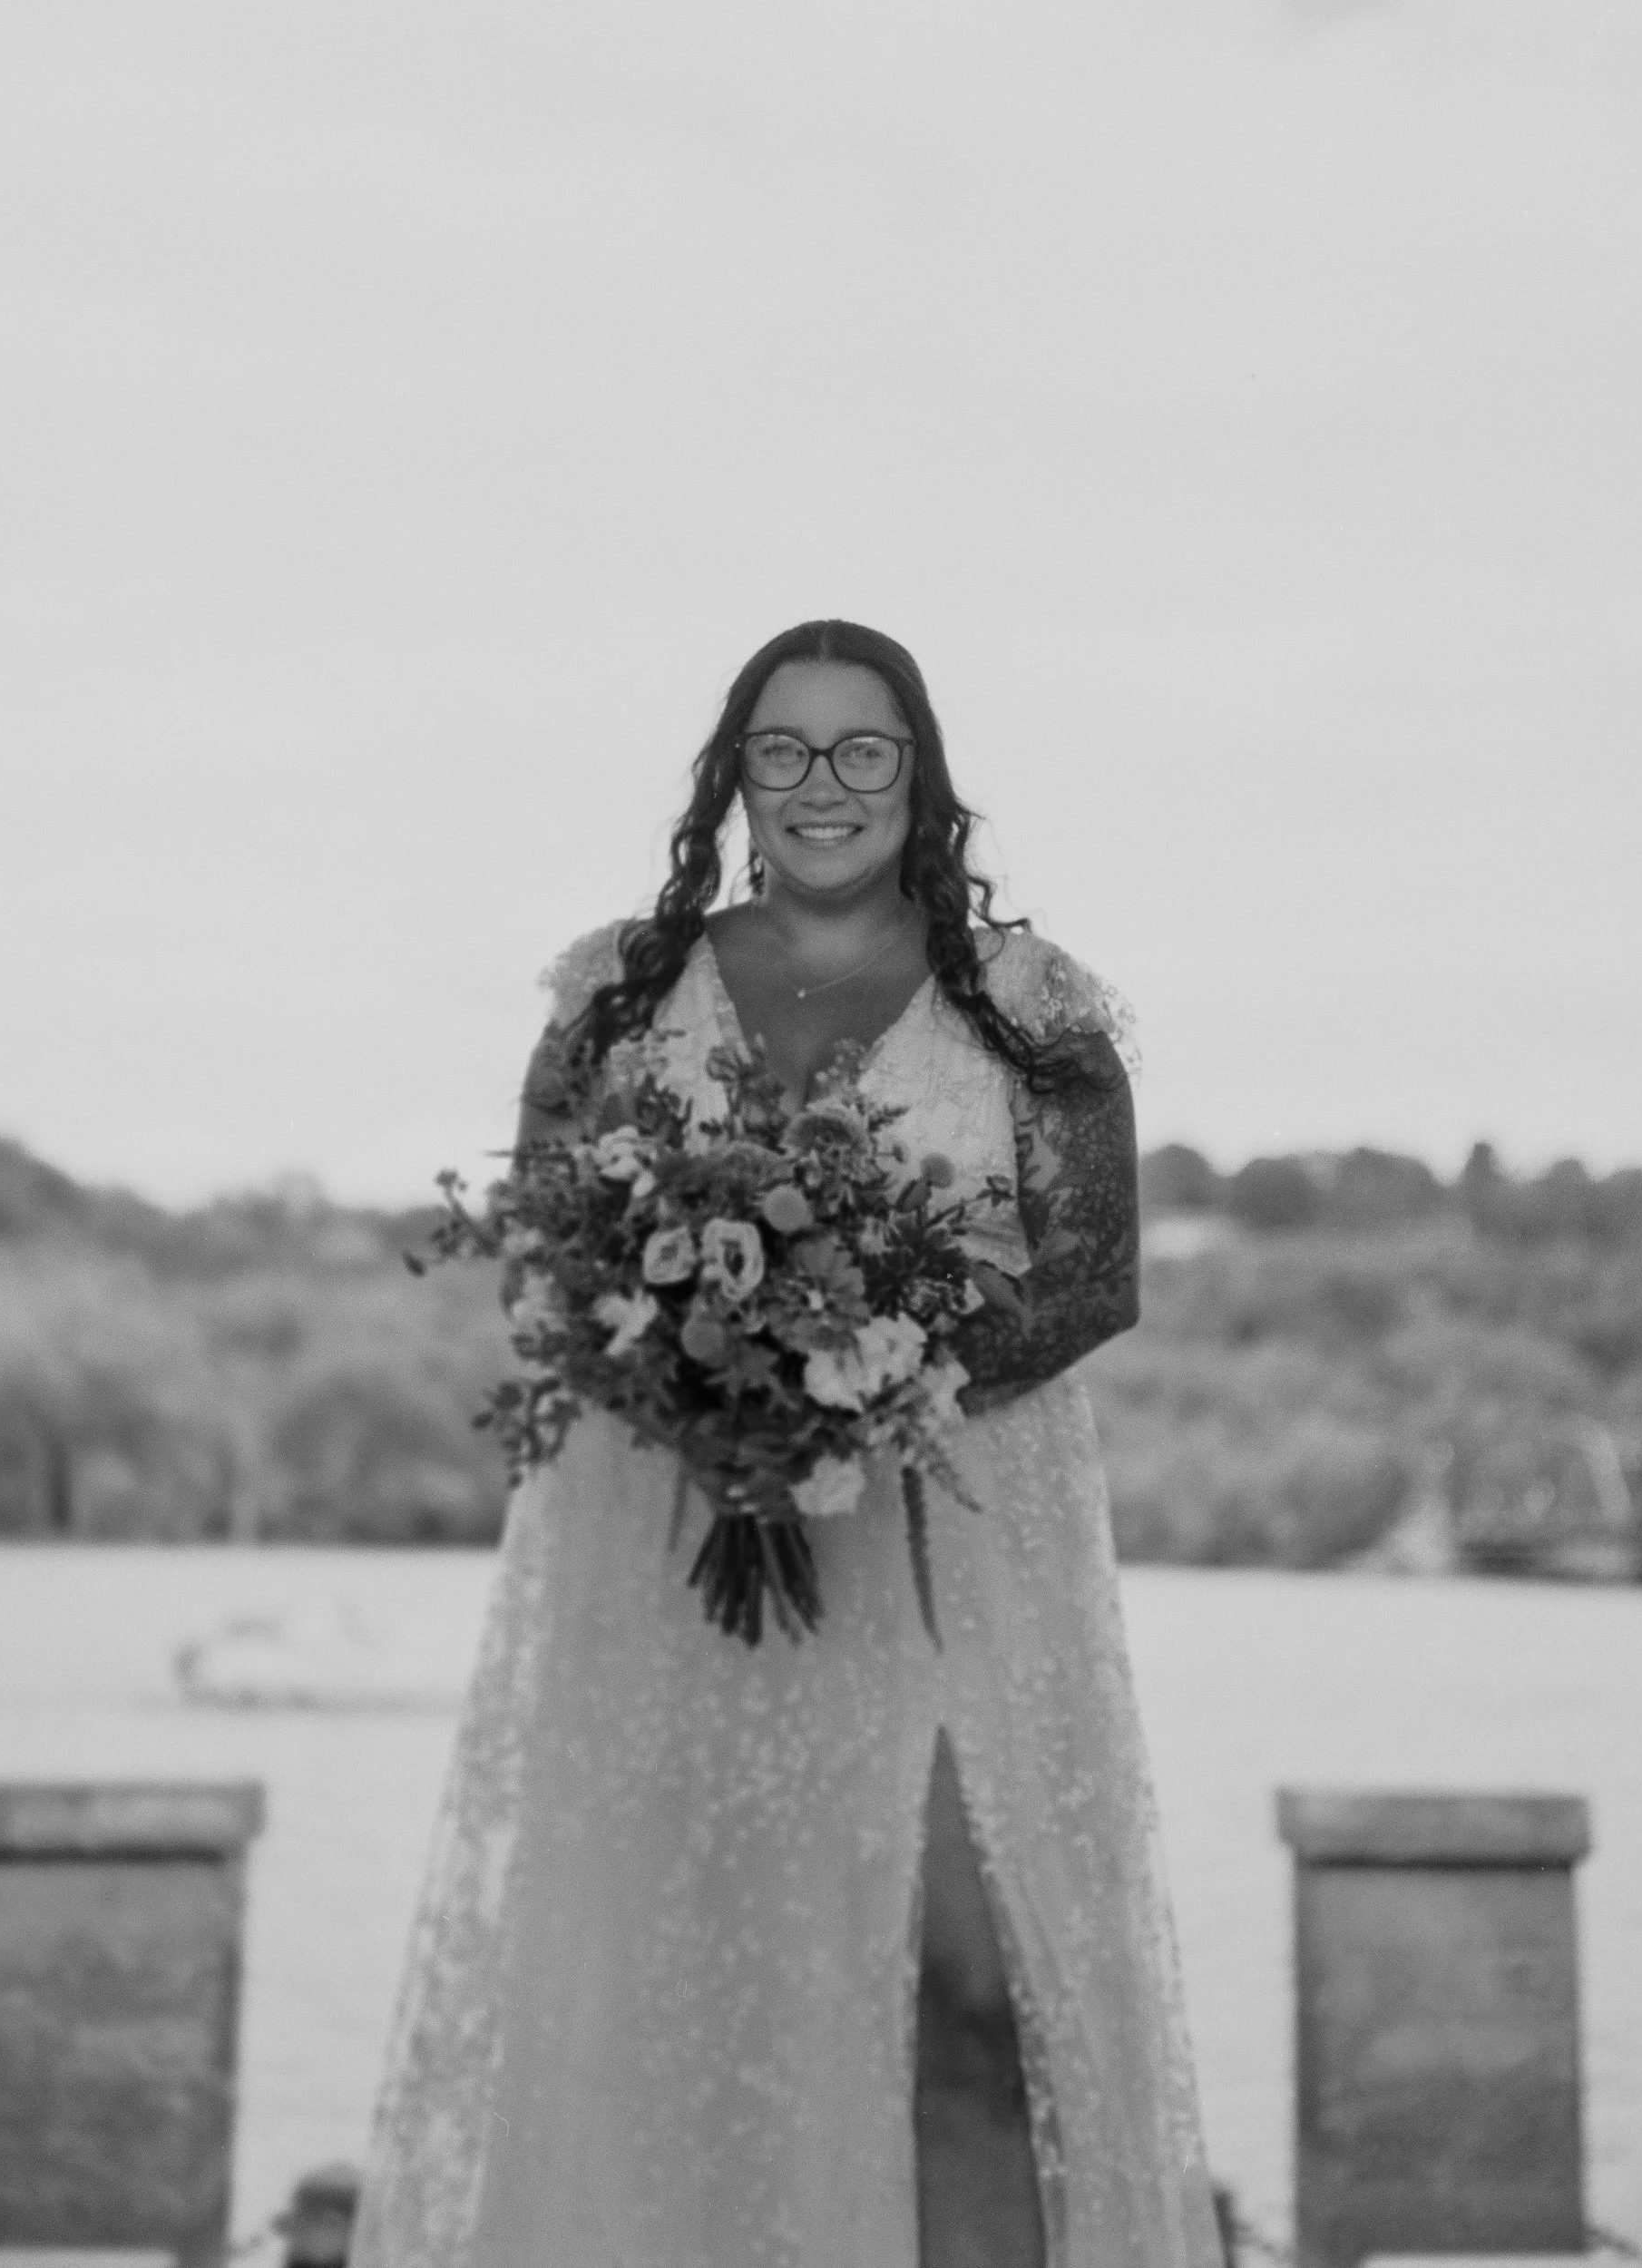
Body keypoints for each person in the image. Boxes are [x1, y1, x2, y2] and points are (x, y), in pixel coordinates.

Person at [349, 621, 1225, 2268]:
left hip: (953, 1562)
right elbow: (548, 1252)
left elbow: (1098, 1276)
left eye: (863, 750)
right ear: (735, 776)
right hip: (677, 1568)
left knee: (975, 1998)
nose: (824, 787)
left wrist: (865, 1384)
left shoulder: (1030, 1006)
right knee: (685, 2012)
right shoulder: (620, 989)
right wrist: (714, 1401)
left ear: (922, 775)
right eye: (785, 750)